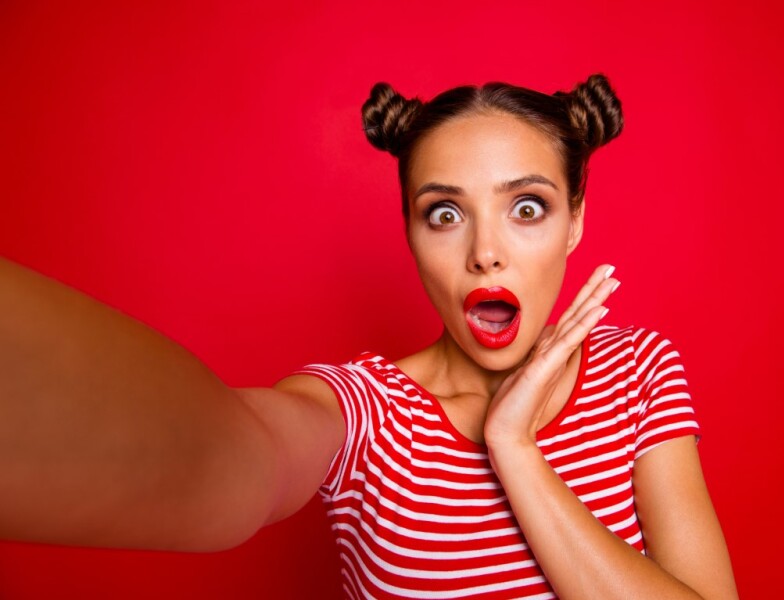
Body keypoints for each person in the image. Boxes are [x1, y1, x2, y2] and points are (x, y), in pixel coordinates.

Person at [0, 74, 738, 599]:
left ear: (575, 220)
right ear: (411, 234)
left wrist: (514, 449)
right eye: (444, 214)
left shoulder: (638, 369)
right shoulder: (364, 411)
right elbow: (234, 457)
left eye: (528, 208)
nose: (486, 252)